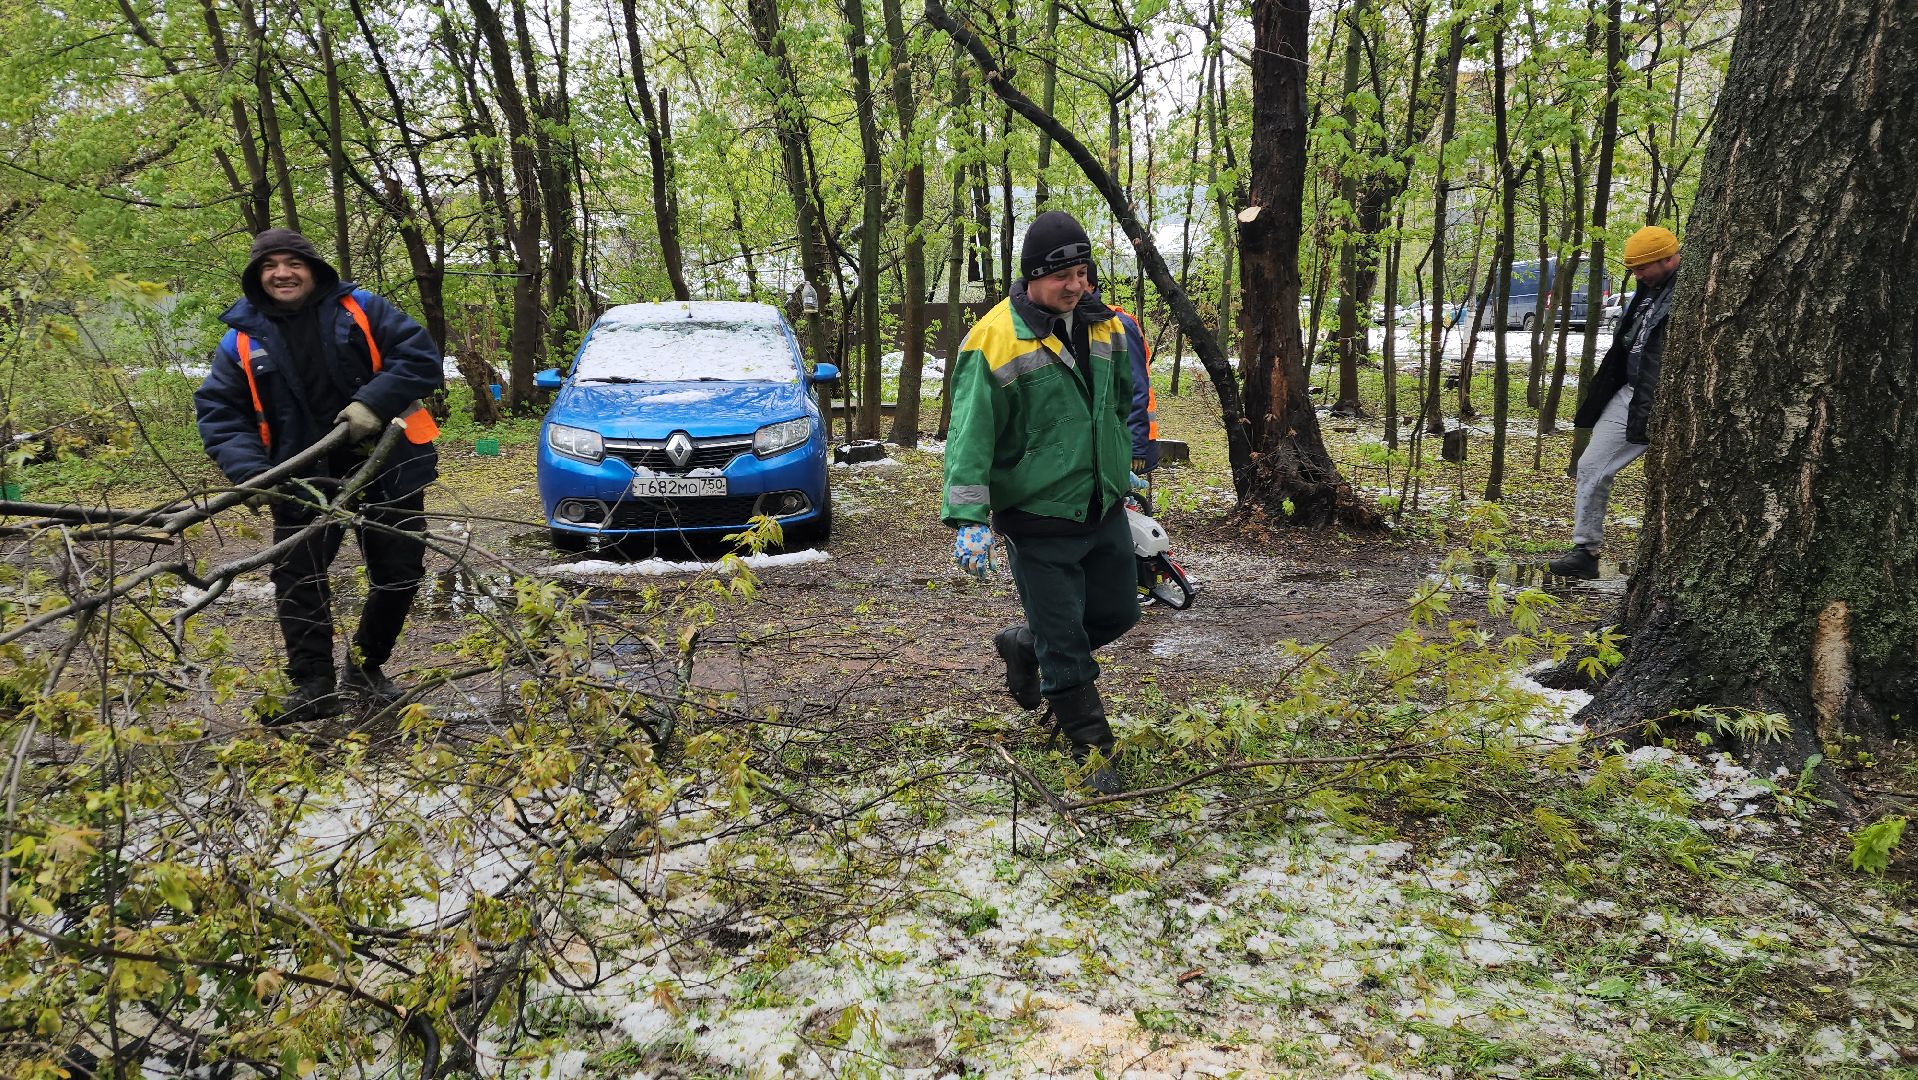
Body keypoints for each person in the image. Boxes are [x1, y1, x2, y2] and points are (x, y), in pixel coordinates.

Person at [195, 228, 443, 724]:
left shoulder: (362, 309)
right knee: (297, 577)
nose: (282, 274)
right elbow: (221, 411)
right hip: (300, 477)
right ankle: (313, 686)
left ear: (313, 268)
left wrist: (373, 402)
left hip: (388, 464)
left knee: (399, 572)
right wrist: (249, 471)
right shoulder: (240, 339)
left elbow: (420, 358)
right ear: (257, 276)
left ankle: (367, 667)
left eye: (292, 264)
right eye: (270, 266)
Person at [943, 210, 1140, 794]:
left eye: (1083, 272)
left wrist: (1130, 471)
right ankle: (1094, 754)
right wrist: (968, 518)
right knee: (1066, 643)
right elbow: (969, 435)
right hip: (1036, 519)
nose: (1076, 285)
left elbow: (1122, 405)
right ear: (1032, 276)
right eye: (1063, 276)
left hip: (1100, 506)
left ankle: (1022, 644)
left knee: (1119, 613)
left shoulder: (1107, 327)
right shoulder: (994, 339)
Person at [1549, 225, 1681, 579]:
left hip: (1669, 398)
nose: (1636, 275)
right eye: (1633, 269)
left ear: (1668, 259)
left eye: (1642, 268)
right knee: (1591, 464)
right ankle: (1585, 551)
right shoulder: (1646, 290)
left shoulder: (1691, 290)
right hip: (1630, 394)